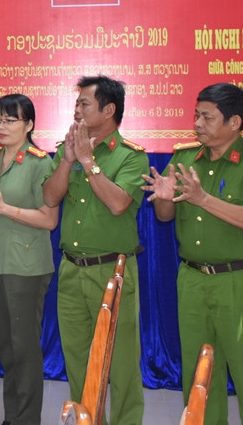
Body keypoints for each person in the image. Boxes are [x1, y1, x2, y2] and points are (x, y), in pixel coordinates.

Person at [144, 83, 243, 425]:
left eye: (207, 116)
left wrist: (203, 199)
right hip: (192, 280)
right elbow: (164, 217)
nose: (198, 123)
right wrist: (162, 196)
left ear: (234, 122)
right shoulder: (185, 157)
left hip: (241, 283)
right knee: (199, 376)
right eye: (196, 114)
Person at [42, 75, 148, 425]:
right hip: (71, 268)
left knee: (120, 364)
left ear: (109, 109)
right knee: (77, 359)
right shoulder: (67, 148)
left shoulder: (132, 157)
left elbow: (119, 204)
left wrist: (89, 162)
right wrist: (68, 161)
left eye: (84, 103)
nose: (77, 109)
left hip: (112, 272)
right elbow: (50, 197)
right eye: (76, 103)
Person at [0, 94, 57, 425]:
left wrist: (3, 207)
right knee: (6, 348)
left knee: (24, 349)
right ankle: (13, 417)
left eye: (11, 120)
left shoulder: (40, 163)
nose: (2, 127)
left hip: (26, 266)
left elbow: (49, 219)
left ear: (29, 125)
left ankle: (27, 419)